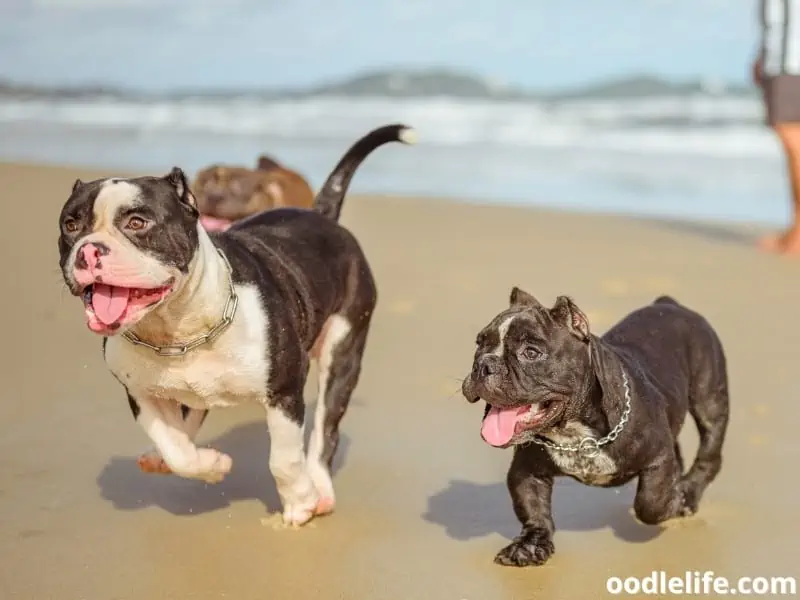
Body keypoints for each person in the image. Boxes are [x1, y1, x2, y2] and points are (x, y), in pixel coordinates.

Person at [754, 0, 800, 254]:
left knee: (794, 140)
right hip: (778, 58)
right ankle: (796, 226)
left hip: (791, 61)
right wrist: (762, 53)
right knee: (792, 142)